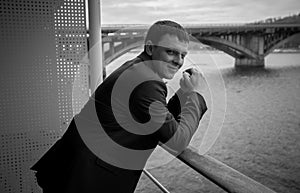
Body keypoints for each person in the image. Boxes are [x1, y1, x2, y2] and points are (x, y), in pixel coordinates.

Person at [31, 20, 207, 193]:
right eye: (171, 52)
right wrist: (194, 95)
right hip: (86, 179)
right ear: (151, 48)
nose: (179, 61)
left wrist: (183, 94)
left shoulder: (136, 69)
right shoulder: (145, 82)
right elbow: (177, 140)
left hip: (73, 169)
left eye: (183, 55)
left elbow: (159, 120)